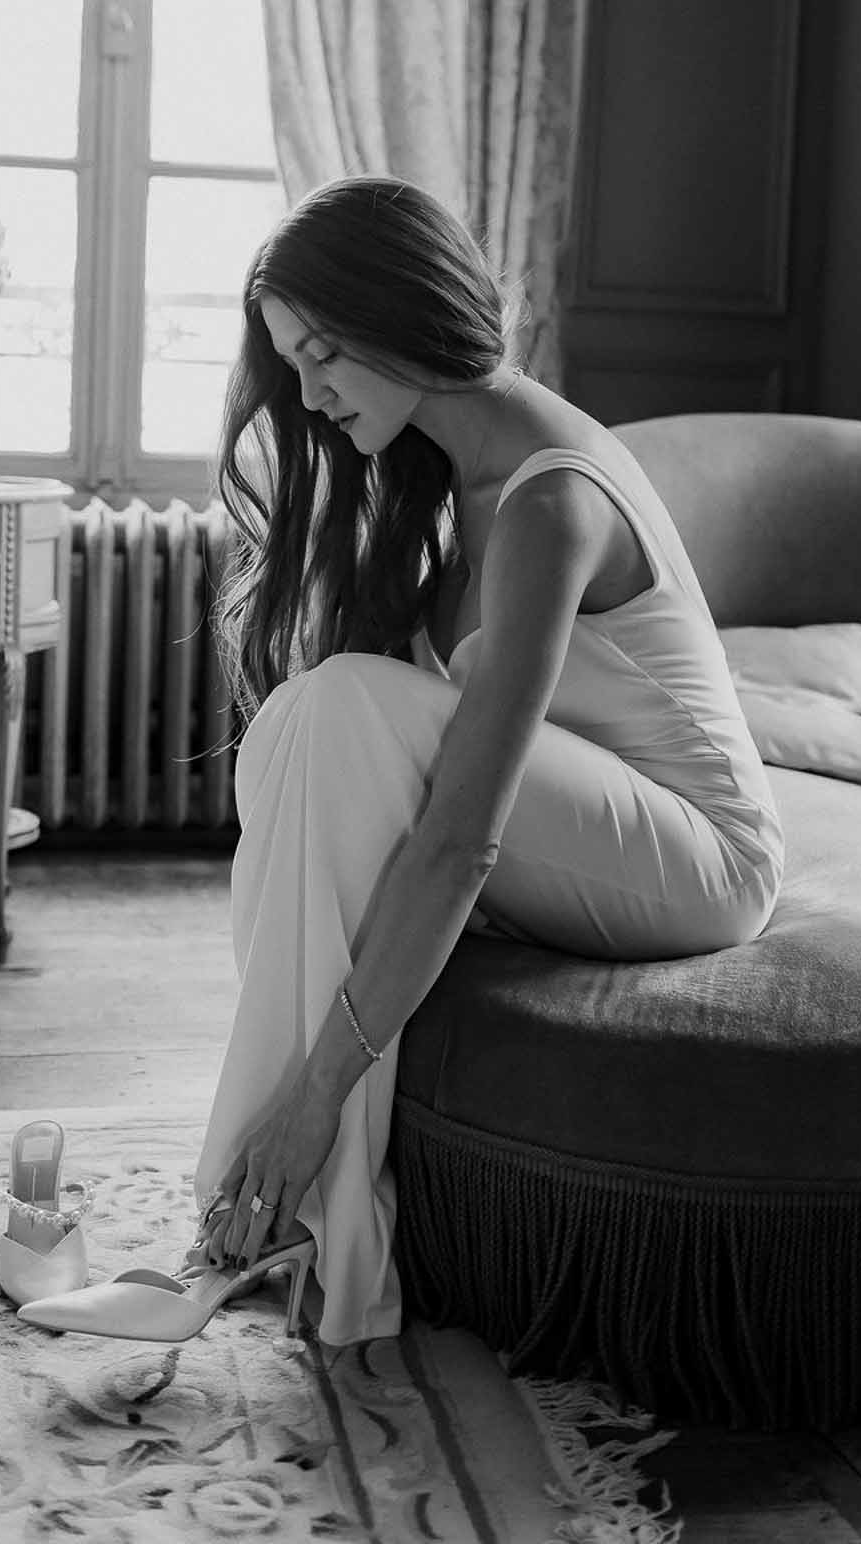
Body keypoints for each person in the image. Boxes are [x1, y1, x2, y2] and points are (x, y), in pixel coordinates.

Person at [184, 174, 785, 1349]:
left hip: (704, 859)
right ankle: (281, 1216)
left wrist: (316, 1094)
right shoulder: (442, 477)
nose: (308, 395)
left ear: (405, 314)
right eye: (291, 362)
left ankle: (284, 1193)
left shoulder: (551, 498)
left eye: (324, 354)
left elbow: (462, 840)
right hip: (586, 829)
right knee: (305, 723)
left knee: (345, 706)